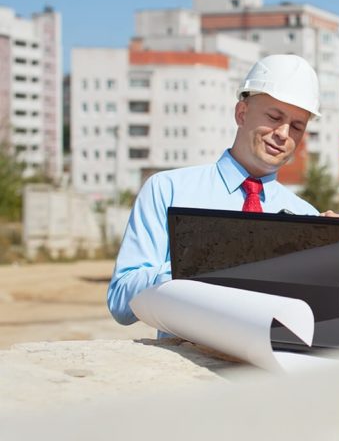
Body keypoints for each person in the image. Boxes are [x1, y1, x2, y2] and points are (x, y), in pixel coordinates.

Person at [107, 54, 321, 326]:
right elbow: (120, 304)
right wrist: (198, 266)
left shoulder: (307, 218)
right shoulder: (168, 190)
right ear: (241, 113)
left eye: (297, 126)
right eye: (274, 116)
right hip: (188, 364)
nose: (283, 133)